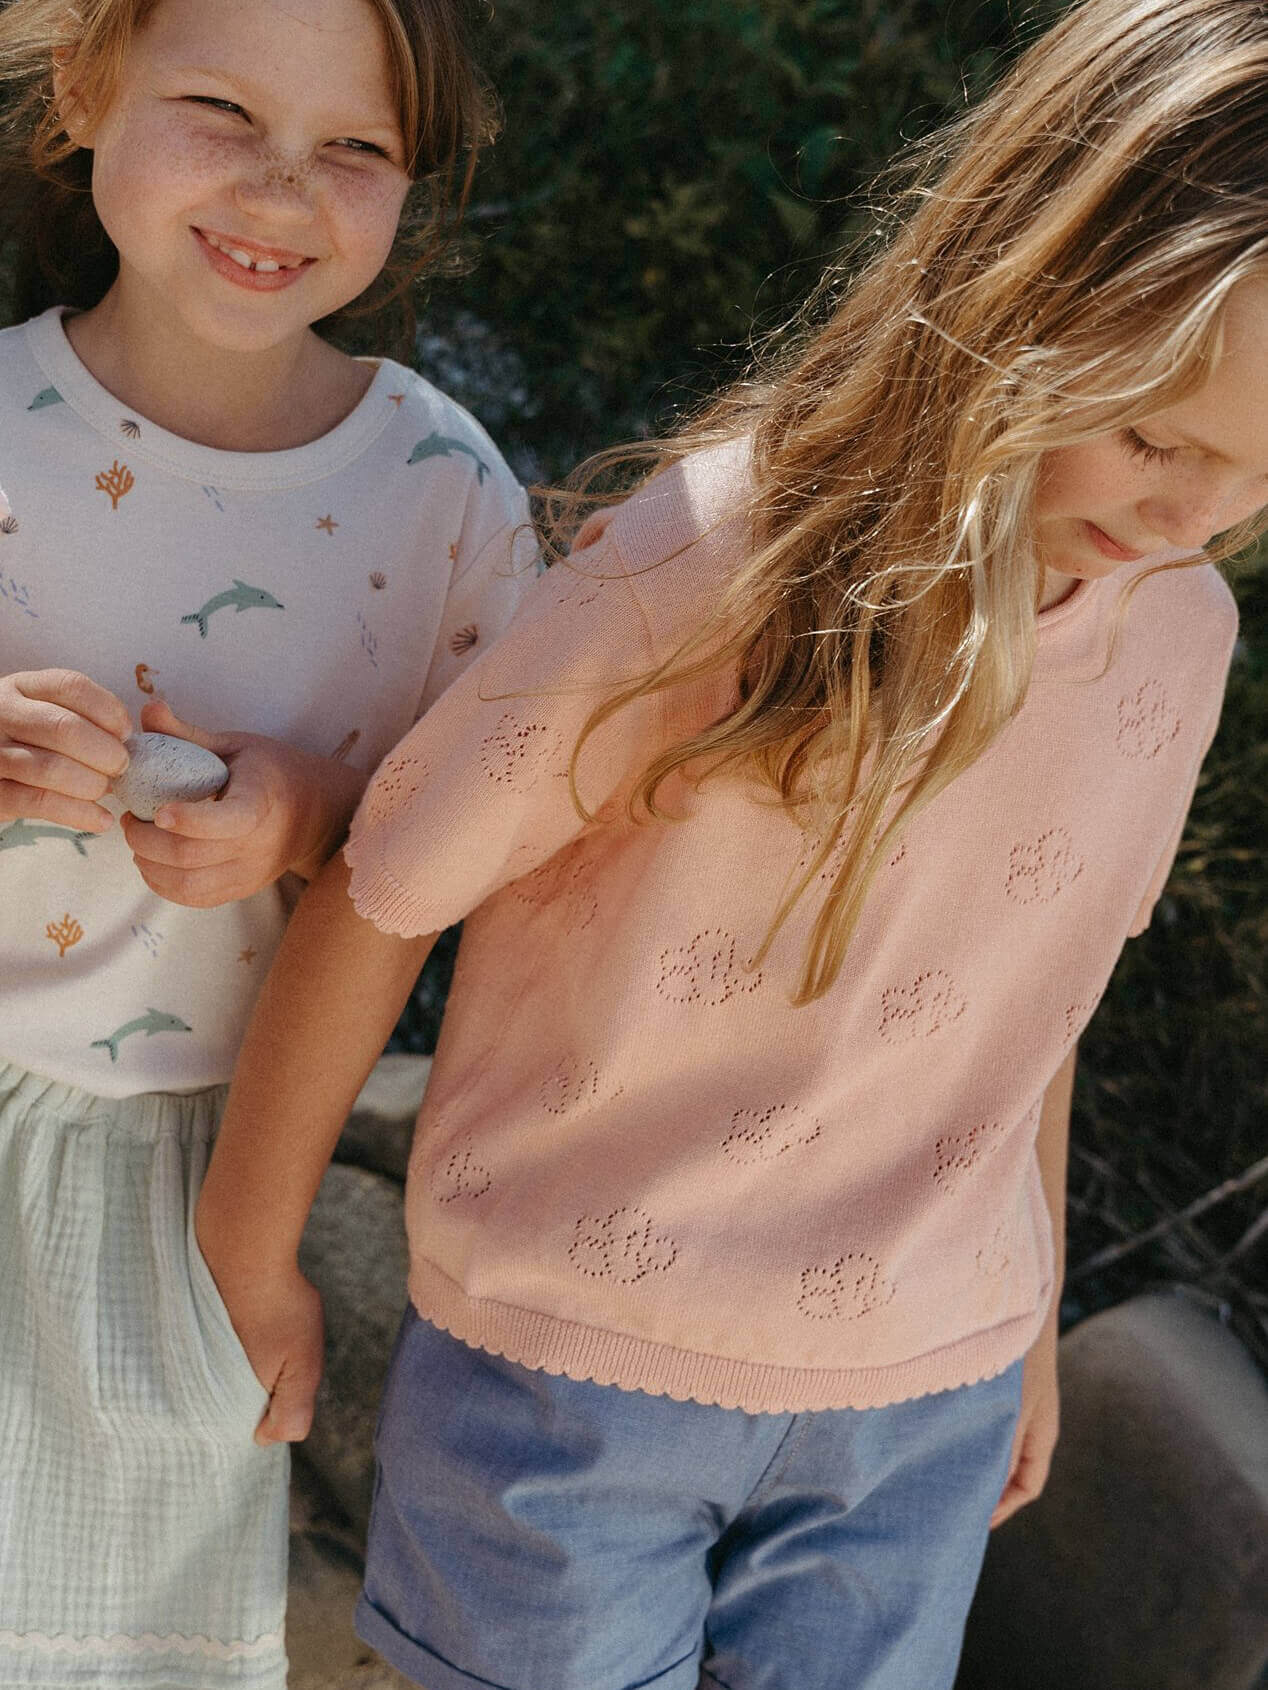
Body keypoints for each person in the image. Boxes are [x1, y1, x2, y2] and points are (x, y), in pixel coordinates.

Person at [197, 0, 1267, 1686]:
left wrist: (1028, 1321)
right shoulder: (722, 558)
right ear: (1025, 286)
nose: (1189, 517)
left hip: (920, 1408)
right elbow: (386, 884)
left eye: (1250, 483)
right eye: (1155, 439)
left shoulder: (1178, 635)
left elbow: (1035, 1009)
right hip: (568, 1390)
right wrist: (247, 1256)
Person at [0, 0, 535, 1685]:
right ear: (86, 88)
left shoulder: (441, 494)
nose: (281, 192)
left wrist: (309, 810)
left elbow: (475, 861)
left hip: (213, 1169)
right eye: (222, 109)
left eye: (357, 148)